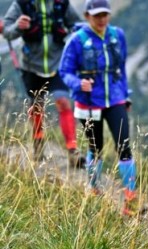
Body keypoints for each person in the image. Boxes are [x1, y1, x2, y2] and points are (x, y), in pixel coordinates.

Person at [59, 0, 140, 216]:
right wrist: (78, 84)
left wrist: (126, 95)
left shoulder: (117, 36)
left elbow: (120, 69)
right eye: (96, 15)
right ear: (87, 16)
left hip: (115, 100)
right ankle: (94, 189)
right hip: (88, 102)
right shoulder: (77, 40)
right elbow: (64, 71)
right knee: (96, 148)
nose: (101, 19)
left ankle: (130, 201)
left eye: (105, 14)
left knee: (124, 146)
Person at [3, 0, 85, 167]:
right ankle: (38, 142)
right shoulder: (21, 4)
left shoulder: (61, 4)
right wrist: (18, 27)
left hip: (58, 65)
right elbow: (6, 30)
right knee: (37, 106)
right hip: (31, 67)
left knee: (63, 102)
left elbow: (78, 25)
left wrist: (77, 31)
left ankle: (72, 151)